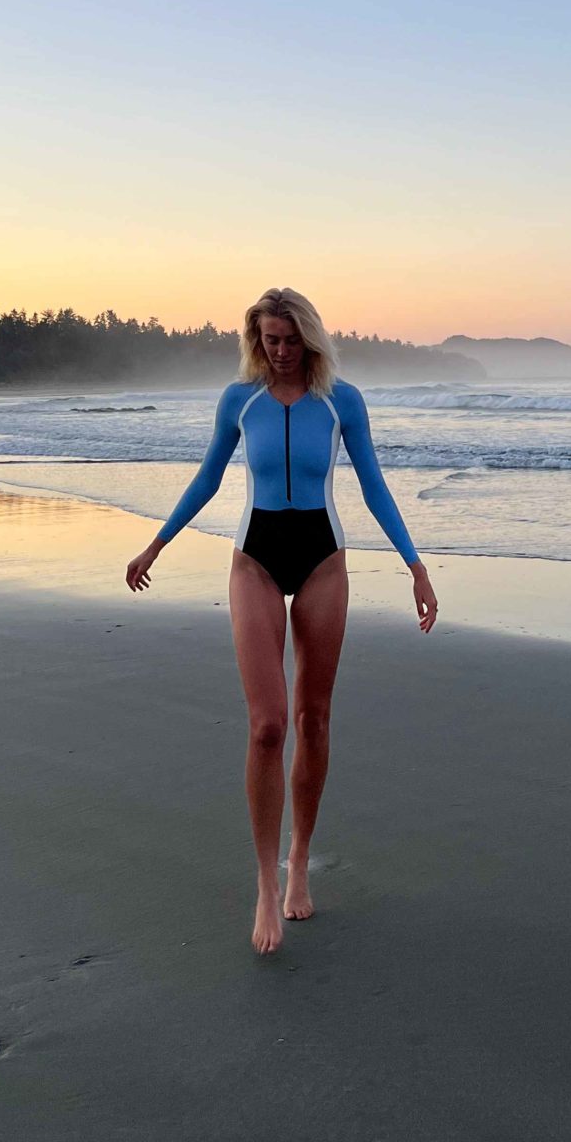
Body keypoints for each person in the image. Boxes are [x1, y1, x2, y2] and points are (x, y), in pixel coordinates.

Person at [125, 286, 438, 955]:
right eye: (270, 340)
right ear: (256, 340)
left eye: (292, 340)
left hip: (323, 557)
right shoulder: (239, 401)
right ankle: (265, 882)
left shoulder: (341, 401)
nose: (282, 352)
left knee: (313, 718)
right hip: (255, 560)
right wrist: (156, 544)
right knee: (267, 724)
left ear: (311, 339)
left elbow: (374, 483)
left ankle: (300, 859)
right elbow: (208, 479)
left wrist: (415, 564)